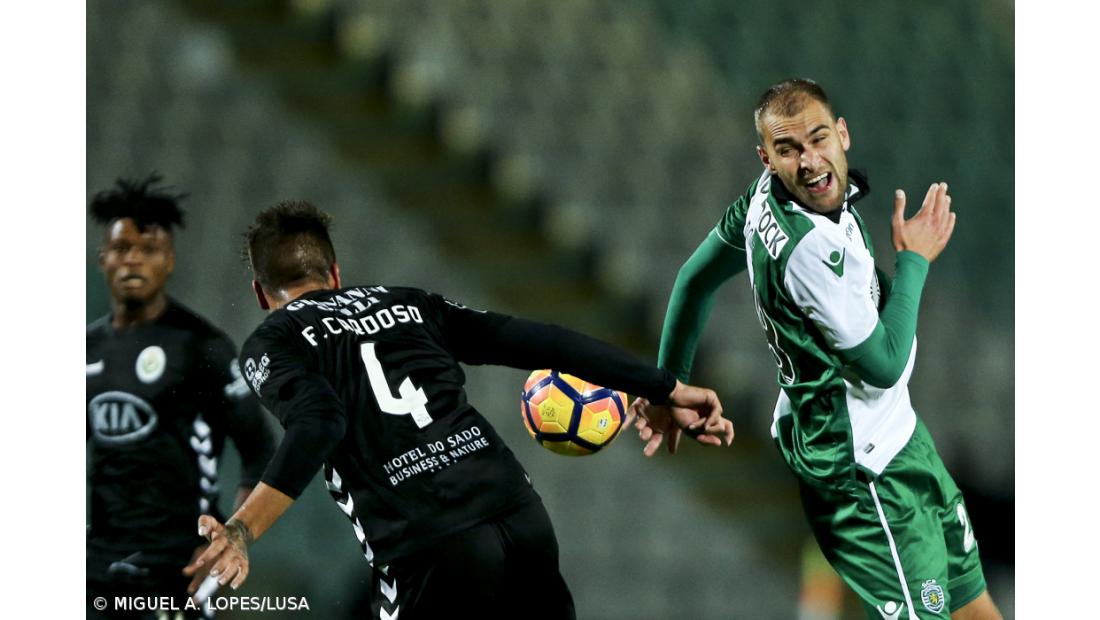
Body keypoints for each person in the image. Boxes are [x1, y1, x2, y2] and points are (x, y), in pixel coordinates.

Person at [181, 201, 733, 619]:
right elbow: (539, 342)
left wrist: (243, 530)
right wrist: (663, 386)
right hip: (519, 515)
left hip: (429, 546)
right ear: (334, 272)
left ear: (260, 293)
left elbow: (321, 420)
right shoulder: (409, 303)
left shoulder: (273, 341)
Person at [636, 79, 1002, 619]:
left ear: (843, 134)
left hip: (900, 436)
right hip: (865, 473)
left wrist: (668, 385)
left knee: (976, 609)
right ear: (767, 157)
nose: (808, 161)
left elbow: (694, 280)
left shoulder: (765, 198)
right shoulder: (811, 251)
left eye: (818, 138)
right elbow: (882, 365)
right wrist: (915, 260)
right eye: (788, 150)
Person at [87, 174, 278, 619]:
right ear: (103, 258)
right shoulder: (86, 349)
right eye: (121, 249)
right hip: (97, 561)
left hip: (179, 565)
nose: (132, 260)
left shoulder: (201, 347)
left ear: (169, 260)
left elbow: (260, 450)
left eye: (147, 249)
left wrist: (233, 537)